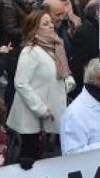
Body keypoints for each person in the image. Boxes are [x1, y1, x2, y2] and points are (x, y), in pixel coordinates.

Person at [9, 10, 72, 162]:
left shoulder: (54, 47)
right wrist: (40, 109)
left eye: (50, 22)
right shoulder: (30, 51)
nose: (51, 26)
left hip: (47, 115)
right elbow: (21, 83)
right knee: (29, 157)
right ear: (34, 30)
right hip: (30, 117)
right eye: (45, 24)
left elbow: (58, 73)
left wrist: (68, 81)